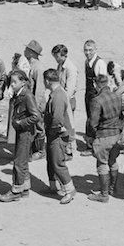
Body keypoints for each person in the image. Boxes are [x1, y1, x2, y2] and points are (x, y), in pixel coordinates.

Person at [0, 70, 41, 202]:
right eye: (11, 82)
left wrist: (21, 122)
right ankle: (25, 188)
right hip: (22, 131)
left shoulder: (27, 95)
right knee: (22, 161)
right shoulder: (19, 93)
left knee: (18, 161)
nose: (12, 84)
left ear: (23, 81)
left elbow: (36, 116)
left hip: (26, 132)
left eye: (14, 82)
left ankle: (16, 190)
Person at [87, 74, 123, 202]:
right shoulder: (117, 96)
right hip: (116, 135)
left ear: (97, 85)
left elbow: (93, 123)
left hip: (103, 136)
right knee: (112, 161)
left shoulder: (97, 100)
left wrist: (92, 137)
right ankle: (113, 188)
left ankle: (104, 194)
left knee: (102, 164)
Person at [42, 68, 76, 204]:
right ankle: (56, 186)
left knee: (58, 164)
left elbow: (57, 119)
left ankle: (69, 190)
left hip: (58, 135)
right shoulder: (56, 93)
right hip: (55, 133)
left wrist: (51, 131)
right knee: (52, 161)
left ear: (47, 81)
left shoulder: (58, 96)